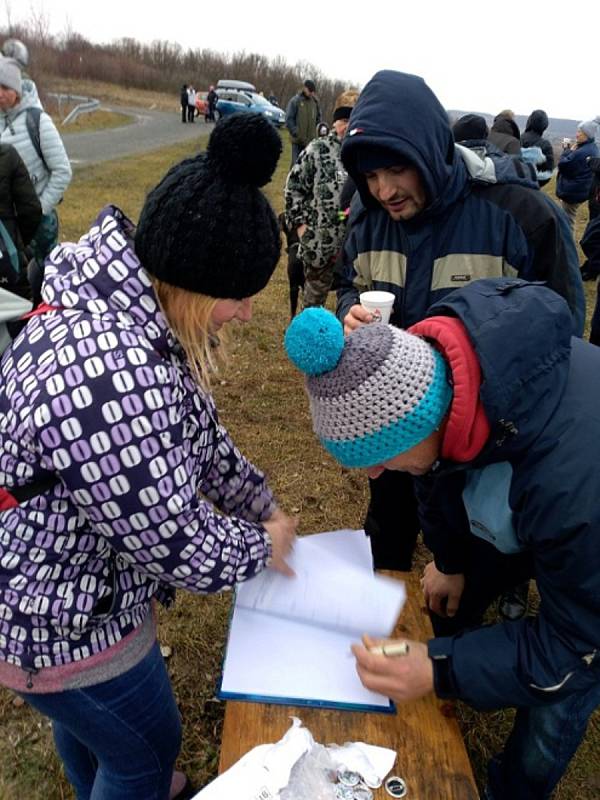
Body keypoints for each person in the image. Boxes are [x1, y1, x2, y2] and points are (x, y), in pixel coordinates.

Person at [0, 113, 297, 800]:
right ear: (191, 283)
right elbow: (174, 539)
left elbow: (199, 436)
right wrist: (262, 548)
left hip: (66, 596)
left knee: (100, 737)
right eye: (237, 296)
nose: (247, 313)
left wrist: (259, 501)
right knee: (144, 750)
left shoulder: (139, 324)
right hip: (61, 623)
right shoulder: (107, 373)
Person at [285, 280, 600, 800]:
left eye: (381, 458)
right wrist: (452, 560)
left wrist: (439, 669)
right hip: (545, 505)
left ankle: (515, 788)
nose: (376, 475)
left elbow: (573, 644)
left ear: (419, 423)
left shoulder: (572, 487)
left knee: (559, 702)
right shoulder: (446, 387)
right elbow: (435, 475)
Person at [335, 70, 584, 578]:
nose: (384, 189)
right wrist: (347, 313)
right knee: (389, 531)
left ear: (430, 148)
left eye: (395, 169)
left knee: (482, 556)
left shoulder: (520, 216)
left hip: (485, 440)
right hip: (396, 431)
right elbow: (347, 282)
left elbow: (563, 338)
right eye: (370, 176)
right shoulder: (366, 222)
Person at [284, 90, 358, 308]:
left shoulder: (365, 155)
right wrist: (302, 228)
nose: (348, 126)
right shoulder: (318, 150)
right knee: (312, 310)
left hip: (355, 252)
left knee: (352, 308)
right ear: (335, 122)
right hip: (320, 249)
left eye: (353, 120)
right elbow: (293, 189)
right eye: (344, 120)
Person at [0, 56, 72, 268]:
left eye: (5, 87)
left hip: (40, 224)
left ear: (17, 90)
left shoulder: (38, 121)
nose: (0, 94)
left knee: (43, 277)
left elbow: (62, 171)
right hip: (7, 222)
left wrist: (39, 209)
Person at [0, 141, 42, 297]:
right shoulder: (7, 154)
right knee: (18, 312)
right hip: (8, 259)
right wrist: (16, 242)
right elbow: (31, 209)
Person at [556, 120, 599, 228]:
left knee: (567, 222)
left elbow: (563, 165)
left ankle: (567, 243)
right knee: (568, 218)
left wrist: (567, 150)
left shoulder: (582, 152)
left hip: (573, 191)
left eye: (580, 132)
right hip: (581, 189)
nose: (577, 134)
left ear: (587, 135)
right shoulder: (592, 148)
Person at [285, 79, 321, 167]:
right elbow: (289, 119)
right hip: (298, 141)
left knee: (307, 166)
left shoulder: (315, 103)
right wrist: (296, 132)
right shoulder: (295, 101)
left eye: (313, 92)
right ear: (305, 88)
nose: (312, 93)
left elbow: (318, 119)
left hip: (310, 142)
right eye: (310, 91)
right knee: (295, 165)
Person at [520, 109, 555, 187]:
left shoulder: (517, 139)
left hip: (513, 186)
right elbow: (547, 174)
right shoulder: (545, 145)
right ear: (545, 126)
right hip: (532, 188)